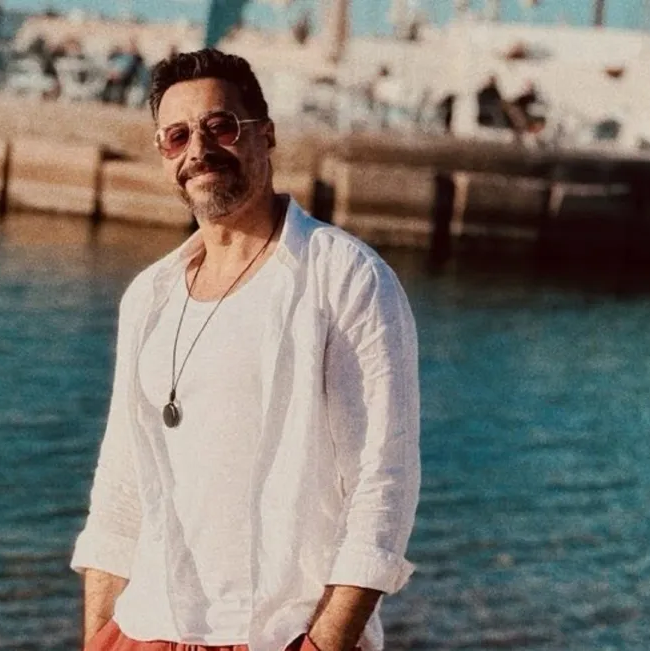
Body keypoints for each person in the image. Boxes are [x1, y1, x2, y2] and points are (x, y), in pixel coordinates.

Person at [70, 49, 420, 651]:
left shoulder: (344, 278)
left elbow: (382, 483)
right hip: (143, 629)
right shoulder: (149, 297)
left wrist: (323, 644)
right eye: (177, 137)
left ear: (266, 135)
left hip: (276, 634)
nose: (198, 151)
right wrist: (99, 636)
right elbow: (120, 486)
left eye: (221, 126)